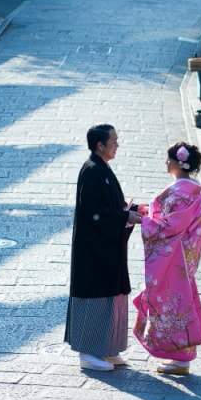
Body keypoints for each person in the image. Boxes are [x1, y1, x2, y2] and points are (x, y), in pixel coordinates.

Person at [132, 142, 201, 376]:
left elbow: (167, 226)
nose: (166, 163)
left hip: (172, 257)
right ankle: (181, 357)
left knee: (170, 304)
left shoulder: (179, 193)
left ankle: (179, 359)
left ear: (178, 163)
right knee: (181, 301)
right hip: (185, 257)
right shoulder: (196, 192)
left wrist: (140, 220)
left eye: (168, 159)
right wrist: (147, 212)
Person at [66, 124, 141, 372]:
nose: (117, 145)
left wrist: (130, 210)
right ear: (100, 145)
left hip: (107, 247)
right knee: (94, 298)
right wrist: (126, 217)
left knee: (112, 296)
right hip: (93, 250)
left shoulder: (102, 169)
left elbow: (110, 206)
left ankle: (108, 349)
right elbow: (94, 213)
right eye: (114, 141)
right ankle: (88, 353)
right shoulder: (91, 171)